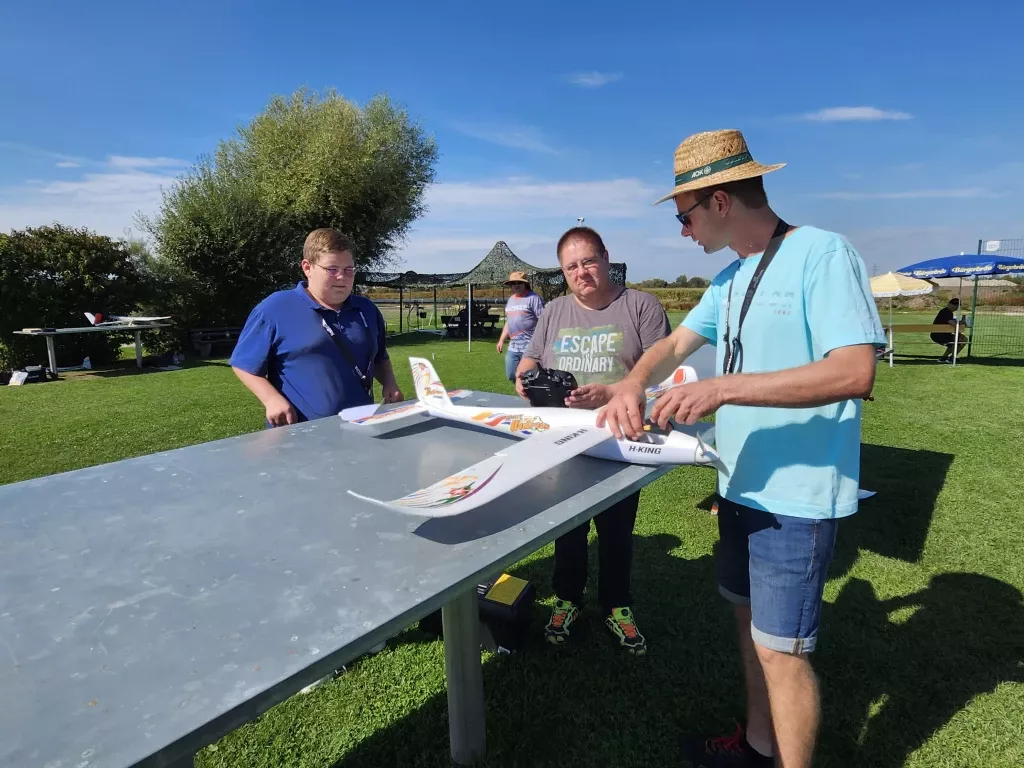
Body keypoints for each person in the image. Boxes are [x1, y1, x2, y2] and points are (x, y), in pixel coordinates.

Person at [598, 129, 885, 767]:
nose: (682, 230)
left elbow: (853, 372)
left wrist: (725, 390)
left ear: (721, 201)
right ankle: (757, 748)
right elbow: (672, 346)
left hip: (797, 499)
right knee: (751, 633)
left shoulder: (822, 253)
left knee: (783, 654)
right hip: (738, 486)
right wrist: (631, 383)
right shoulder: (729, 279)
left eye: (684, 215)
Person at [515, 226, 671, 655]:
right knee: (567, 527)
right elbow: (531, 356)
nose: (581, 272)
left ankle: (617, 605)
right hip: (564, 439)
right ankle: (567, 599)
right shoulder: (554, 311)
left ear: (605, 257)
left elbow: (665, 379)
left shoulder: (641, 306)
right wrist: (524, 375)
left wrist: (612, 393)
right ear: (563, 272)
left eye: (588, 261)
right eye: (571, 266)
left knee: (617, 531)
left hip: (620, 439)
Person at [230, 227, 402, 427]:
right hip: (299, 434)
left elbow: (380, 357)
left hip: (361, 426)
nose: (342, 277)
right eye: (332, 269)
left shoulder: (366, 310)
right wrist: (271, 399)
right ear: (307, 267)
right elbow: (243, 364)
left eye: (348, 270)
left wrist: (390, 382)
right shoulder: (275, 308)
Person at [496, 271, 544, 381]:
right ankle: (526, 392)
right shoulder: (511, 300)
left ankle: (531, 395)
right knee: (511, 374)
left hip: (529, 347)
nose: (516, 286)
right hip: (513, 346)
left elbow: (543, 320)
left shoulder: (534, 298)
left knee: (529, 377)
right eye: (513, 283)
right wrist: (501, 340)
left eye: (519, 283)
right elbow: (509, 322)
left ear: (525, 284)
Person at [930, 297, 966, 362]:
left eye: (957, 306)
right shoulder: (947, 312)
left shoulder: (946, 311)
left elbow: (953, 323)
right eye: (954, 305)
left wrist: (959, 332)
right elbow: (954, 324)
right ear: (949, 304)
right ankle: (952, 358)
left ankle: (945, 358)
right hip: (939, 335)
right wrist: (961, 323)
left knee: (958, 340)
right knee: (962, 340)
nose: (955, 307)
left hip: (939, 334)